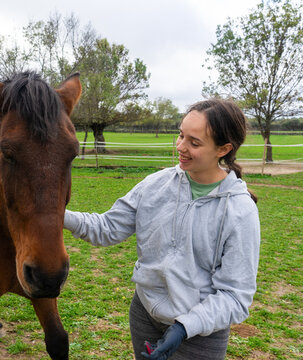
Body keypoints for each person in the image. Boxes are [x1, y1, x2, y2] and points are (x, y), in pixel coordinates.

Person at [64, 98, 260, 359]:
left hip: (200, 334)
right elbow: (107, 227)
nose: (181, 147)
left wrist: (184, 327)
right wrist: (54, 213)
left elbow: (236, 296)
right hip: (144, 315)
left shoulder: (240, 211)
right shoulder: (155, 185)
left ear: (223, 149)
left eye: (194, 142)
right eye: (180, 135)